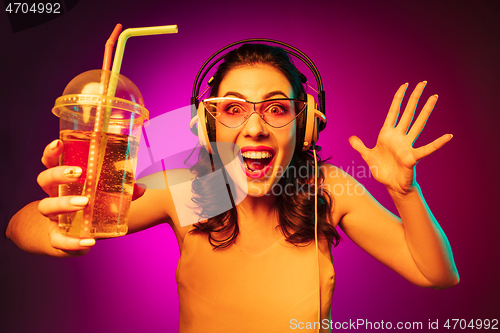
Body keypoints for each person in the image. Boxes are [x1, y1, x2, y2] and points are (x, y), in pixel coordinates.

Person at [6, 43, 459, 332]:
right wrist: (61, 226)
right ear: (207, 126)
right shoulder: (188, 189)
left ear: (304, 129)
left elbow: (437, 275)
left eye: (277, 110)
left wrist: (405, 191)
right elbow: (18, 224)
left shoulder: (327, 189)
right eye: (234, 109)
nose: (256, 128)